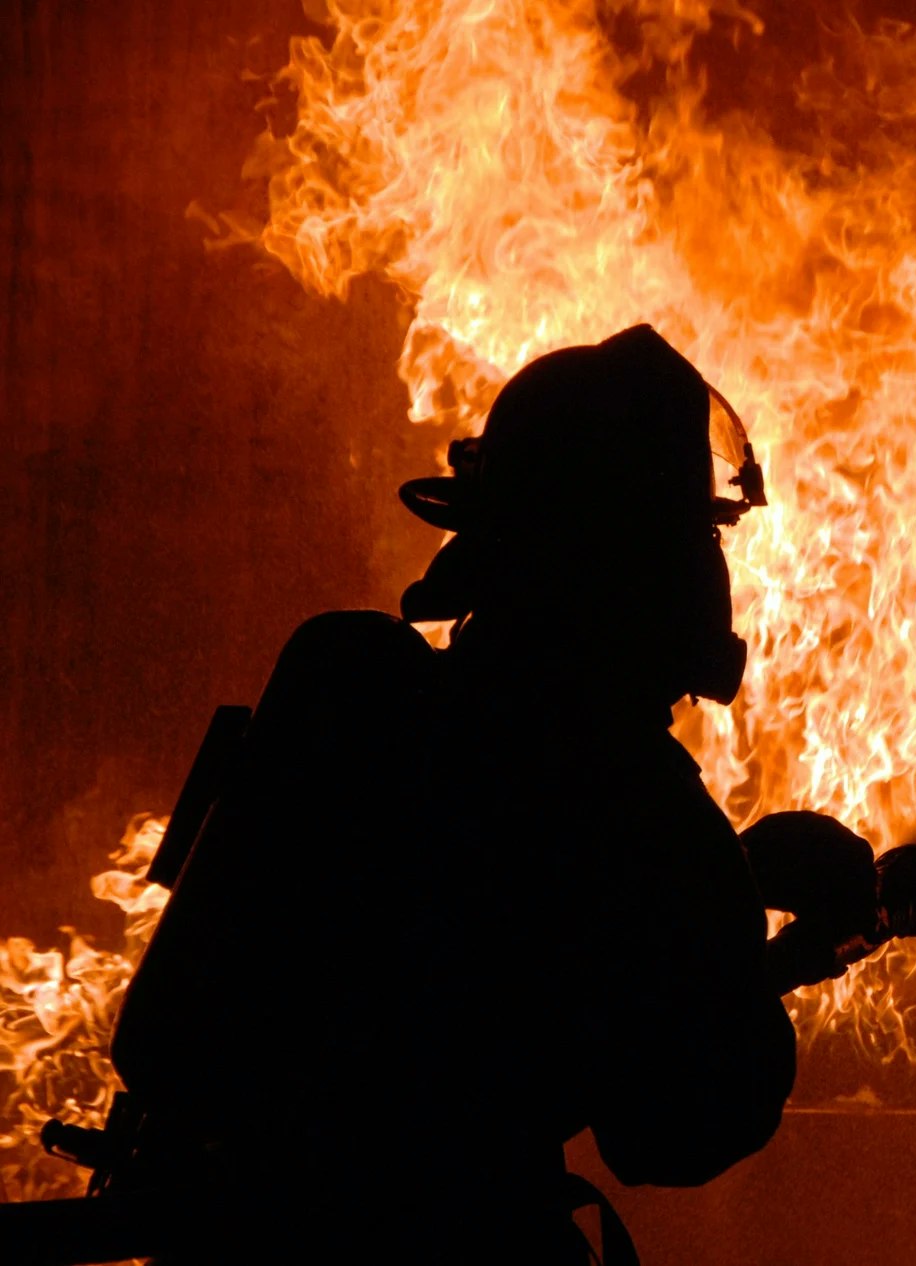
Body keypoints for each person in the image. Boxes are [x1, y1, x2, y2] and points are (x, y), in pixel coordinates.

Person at [85, 325, 864, 1263]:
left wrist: (723, 905)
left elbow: (459, 948)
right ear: (641, 564)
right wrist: (735, 944)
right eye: (696, 532)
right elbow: (673, 1130)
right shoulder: (643, 815)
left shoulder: (349, 686)